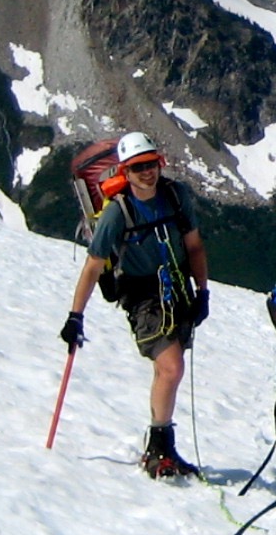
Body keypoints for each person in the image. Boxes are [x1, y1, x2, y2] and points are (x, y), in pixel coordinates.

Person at [58, 132, 210, 480]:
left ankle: (162, 446)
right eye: (138, 167)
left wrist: (202, 291)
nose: (148, 173)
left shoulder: (176, 196)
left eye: (152, 164)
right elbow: (94, 265)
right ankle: (159, 445)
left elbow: (195, 247)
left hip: (176, 289)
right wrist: (75, 316)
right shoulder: (116, 213)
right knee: (171, 368)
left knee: (168, 369)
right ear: (125, 172)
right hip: (141, 295)